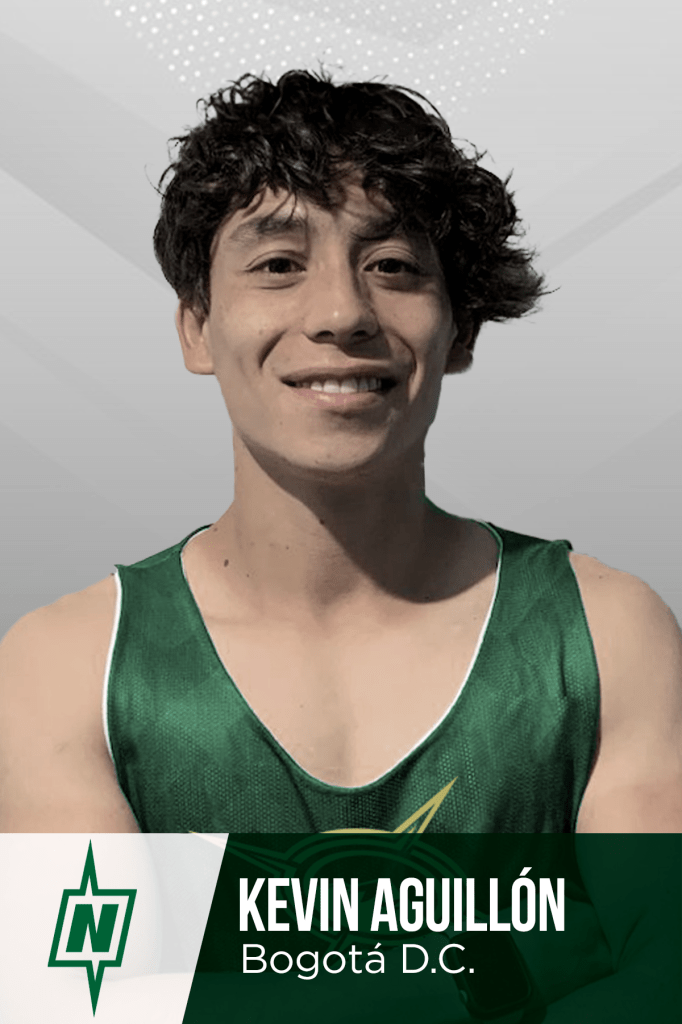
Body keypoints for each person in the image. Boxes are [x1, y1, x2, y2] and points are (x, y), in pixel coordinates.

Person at [0, 70, 680, 836]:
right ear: (196, 329)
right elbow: (96, 928)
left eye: (391, 265)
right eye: (278, 264)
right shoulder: (72, 666)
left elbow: (647, 922)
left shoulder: (604, 640)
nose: (341, 312)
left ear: (460, 330)